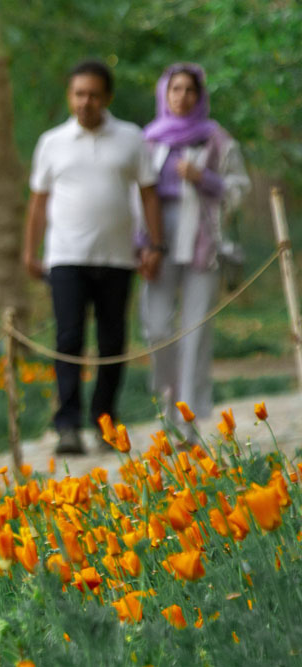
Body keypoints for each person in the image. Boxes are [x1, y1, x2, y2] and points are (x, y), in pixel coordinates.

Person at [23, 60, 164, 455]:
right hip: (66, 257)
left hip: (119, 258)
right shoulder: (51, 142)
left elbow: (149, 193)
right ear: (70, 97)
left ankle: (105, 422)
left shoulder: (131, 138)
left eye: (94, 94)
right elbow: (38, 203)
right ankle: (67, 426)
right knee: (67, 338)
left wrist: (155, 244)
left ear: (107, 97)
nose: (86, 102)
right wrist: (29, 252)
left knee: (112, 341)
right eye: (79, 94)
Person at [139, 63, 250, 439]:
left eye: (190, 90)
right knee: (156, 327)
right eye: (175, 89)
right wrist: (141, 243)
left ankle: (187, 419)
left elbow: (239, 186)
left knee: (196, 330)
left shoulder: (215, 137)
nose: (182, 97)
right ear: (164, 95)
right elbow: (133, 194)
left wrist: (205, 179)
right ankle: (166, 404)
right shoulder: (149, 139)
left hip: (203, 239)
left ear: (199, 96)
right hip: (157, 237)